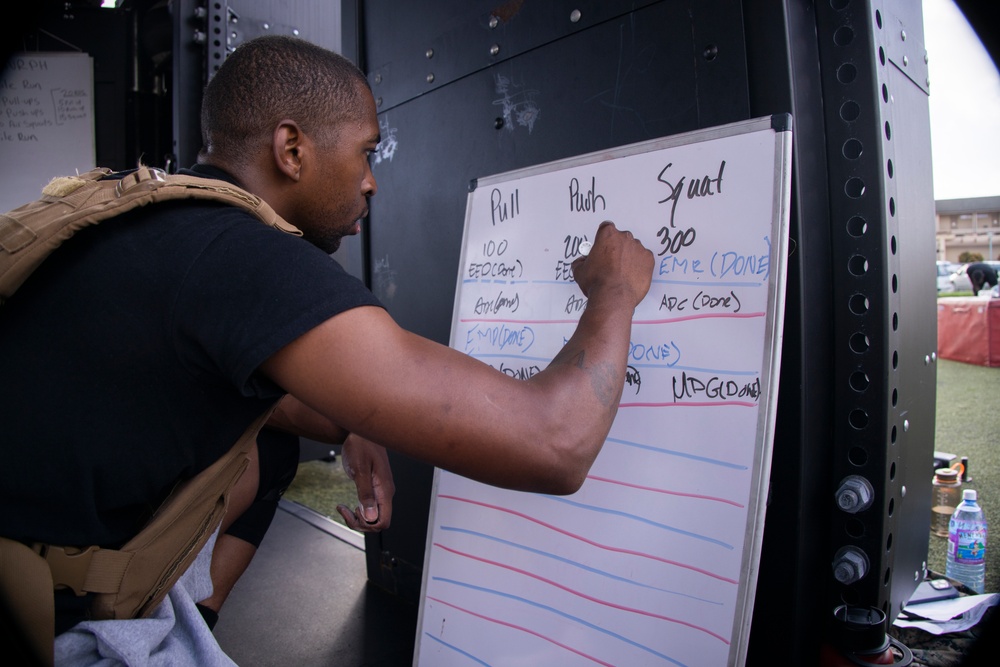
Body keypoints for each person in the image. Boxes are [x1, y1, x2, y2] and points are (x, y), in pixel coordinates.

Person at [0, 35, 653, 664]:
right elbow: (555, 442)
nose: (371, 181)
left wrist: (364, 415)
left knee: (269, 446)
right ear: (291, 148)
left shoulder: (154, 215)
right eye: (366, 152)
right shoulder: (251, 259)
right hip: (51, 623)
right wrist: (613, 292)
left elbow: (299, 403)